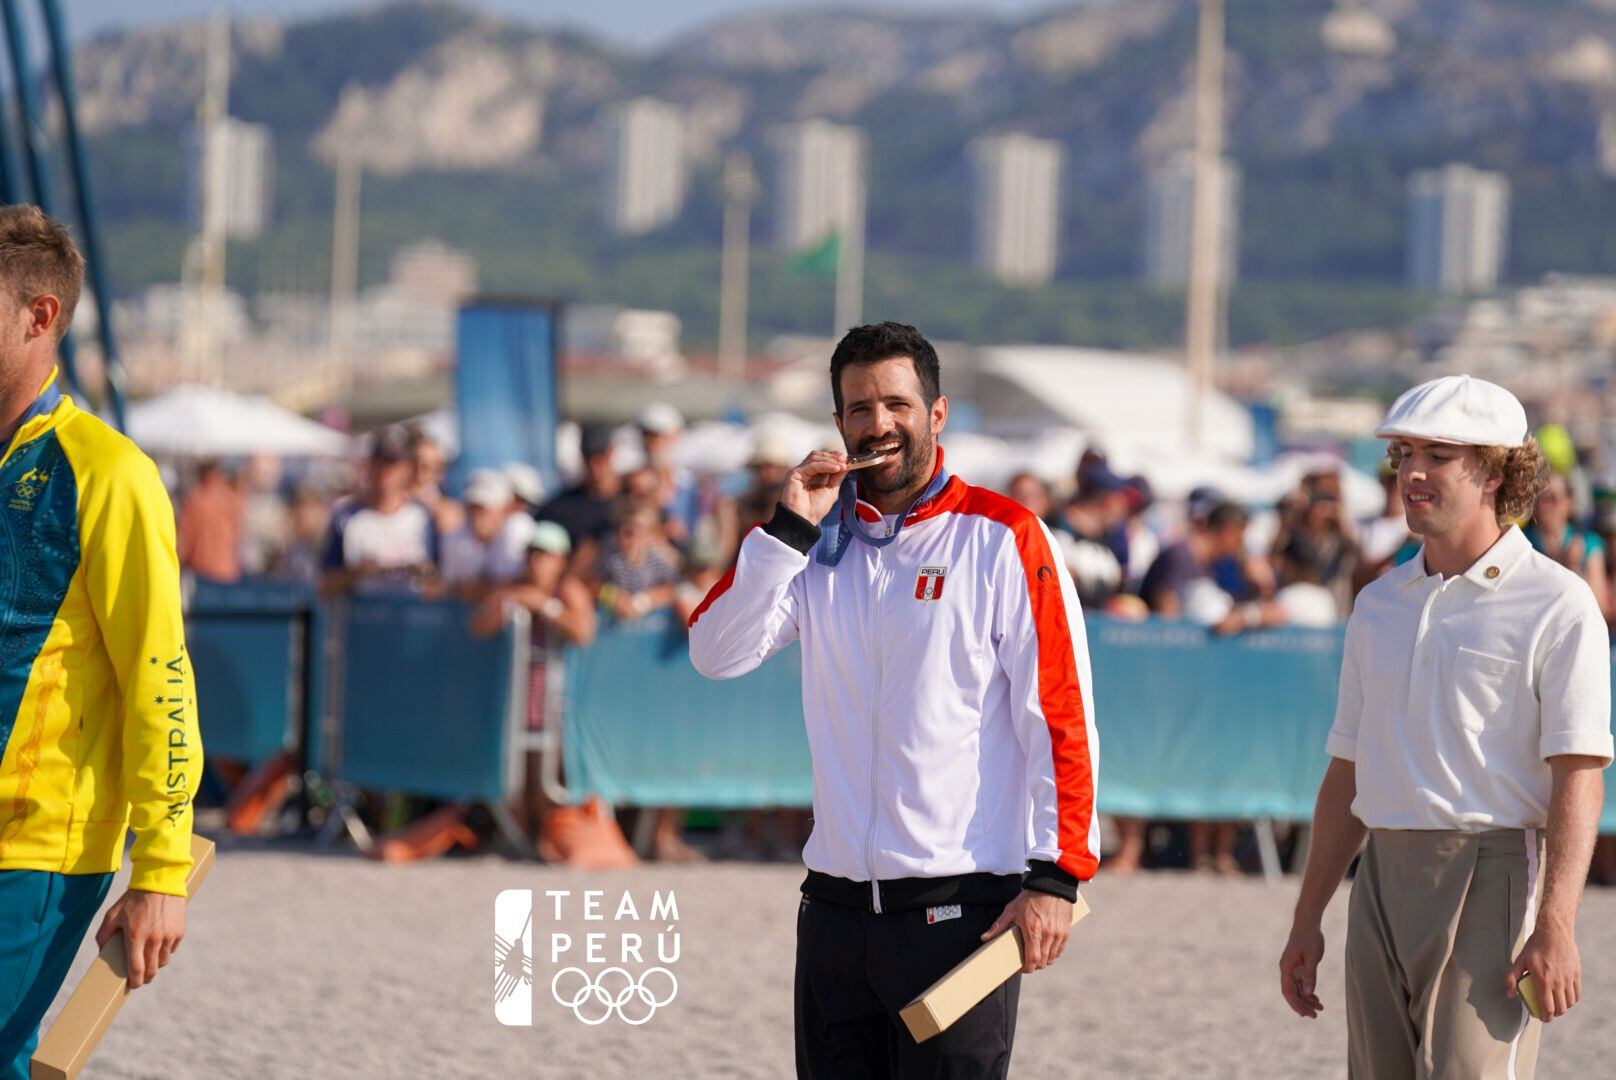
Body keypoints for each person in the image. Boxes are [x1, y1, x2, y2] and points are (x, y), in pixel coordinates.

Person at [689, 321, 1097, 1078]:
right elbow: (715, 653)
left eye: (896, 405)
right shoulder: (814, 544)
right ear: (839, 423)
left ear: (936, 414)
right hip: (836, 911)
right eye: (858, 408)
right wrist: (785, 532)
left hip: (961, 911)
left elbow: (1060, 713)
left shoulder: (1003, 536)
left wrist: (1058, 877)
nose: (878, 424)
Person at [1278, 375, 1612, 1078]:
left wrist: (1556, 922)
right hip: (1377, 879)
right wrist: (1308, 916)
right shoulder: (1378, 605)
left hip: (1492, 872)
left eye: (1439, 453)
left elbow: (1579, 773)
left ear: (1495, 470)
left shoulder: (1558, 602)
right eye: (1404, 454)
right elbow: (1347, 770)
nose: (1413, 472)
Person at [0, 205, 202, 1075]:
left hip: (34, 848)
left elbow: (159, 671)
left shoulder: (108, 473)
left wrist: (160, 868)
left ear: (39, 316)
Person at [320, 426, 440, 595]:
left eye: (393, 463)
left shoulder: (424, 517)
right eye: (381, 462)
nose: (386, 471)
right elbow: (325, 584)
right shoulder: (346, 517)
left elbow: (440, 582)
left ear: (406, 469)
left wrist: (423, 574)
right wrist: (357, 573)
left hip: (412, 615)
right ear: (370, 465)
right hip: (364, 616)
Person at [536, 420, 621, 576]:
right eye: (589, 457)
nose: (595, 465)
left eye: (601, 456)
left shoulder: (634, 498)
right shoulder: (559, 508)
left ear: (612, 453)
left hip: (629, 592)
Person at [1526, 470, 1613, 621]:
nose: (1544, 506)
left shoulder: (1589, 543)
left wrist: (1574, 568)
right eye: (1539, 498)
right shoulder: (1523, 542)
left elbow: (1601, 608)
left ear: (1569, 502)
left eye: (1552, 499)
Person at [175, 458, 244, 584]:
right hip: (228, 574)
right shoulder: (232, 498)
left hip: (203, 574)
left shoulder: (196, 499)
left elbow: (184, 543)